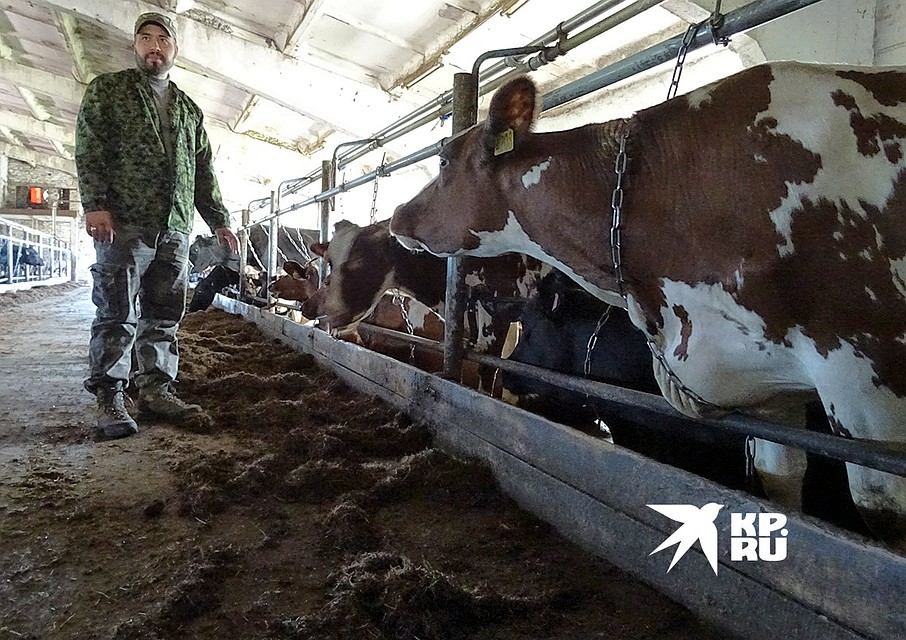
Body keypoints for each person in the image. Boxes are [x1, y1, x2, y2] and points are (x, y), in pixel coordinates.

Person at [75, 11, 239, 440]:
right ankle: (111, 397)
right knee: (117, 311)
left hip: (175, 228)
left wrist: (219, 220)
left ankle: (156, 390)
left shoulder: (188, 109)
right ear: (134, 46)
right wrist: (95, 205)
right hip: (125, 223)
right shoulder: (108, 92)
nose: (154, 45)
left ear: (174, 50)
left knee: (165, 315)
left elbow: (204, 169)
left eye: (162, 39)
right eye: (145, 37)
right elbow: (90, 149)